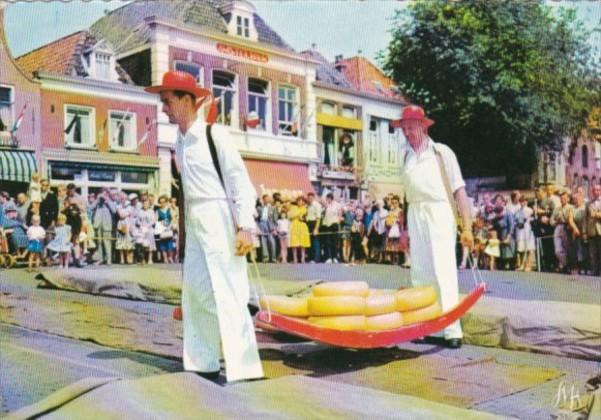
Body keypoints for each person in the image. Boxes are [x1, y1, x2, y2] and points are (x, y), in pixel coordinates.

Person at [145, 70, 263, 382]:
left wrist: (246, 226)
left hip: (219, 215)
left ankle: (245, 368)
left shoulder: (215, 135)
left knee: (230, 290)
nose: (164, 108)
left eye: (167, 101)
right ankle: (202, 361)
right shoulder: (179, 143)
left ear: (187, 100)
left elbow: (240, 183)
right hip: (195, 220)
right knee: (195, 292)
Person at [395, 105, 473, 349]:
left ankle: (451, 329)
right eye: (404, 128)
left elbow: (460, 191)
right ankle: (423, 324)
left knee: (443, 268)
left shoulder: (441, 153)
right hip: (416, 212)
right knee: (420, 271)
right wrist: (404, 229)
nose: (407, 133)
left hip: (440, 212)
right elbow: (406, 196)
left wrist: (467, 227)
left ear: (423, 126)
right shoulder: (405, 156)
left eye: (411, 128)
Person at [586, 183, 601, 276]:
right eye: (595, 190)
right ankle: (594, 275)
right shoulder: (588, 203)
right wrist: (584, 231)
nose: (596, 192)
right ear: (592, 192)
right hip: (592, 232)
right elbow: (585, 218)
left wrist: (596, 214)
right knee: (593, 255)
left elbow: (595, 215)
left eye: (598, 190)